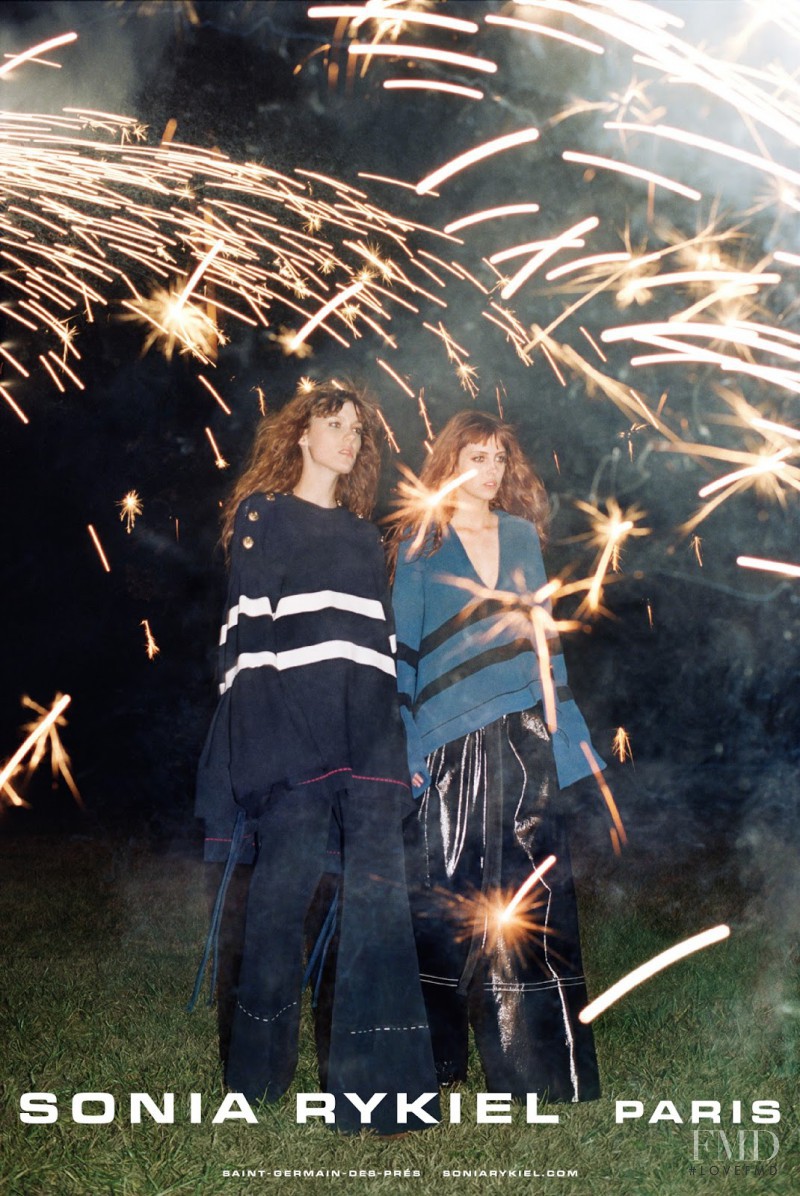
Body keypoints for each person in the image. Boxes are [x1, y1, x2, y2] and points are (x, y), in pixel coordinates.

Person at [193, 381, 439, 1134]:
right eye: (334, 424)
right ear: (300, 435)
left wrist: (397, 749)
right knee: (277, 907)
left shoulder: (368, 539)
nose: (349, 438)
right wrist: (265, 753)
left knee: (376, 910)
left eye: (357, 429)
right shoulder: (264, 518)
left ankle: (382, 1100)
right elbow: (245, 642)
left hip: (365, 746)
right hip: (291, 741)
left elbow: (378, 652)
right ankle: (257, 1082)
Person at [389, 410, 602, 1103]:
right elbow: (402, 658)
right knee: (447, 907)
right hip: (448, 744)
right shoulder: (420, 541)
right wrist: (410, 749)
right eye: (476, 456)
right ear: (451, 461)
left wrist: (572, 740)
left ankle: (537, 1073)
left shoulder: (519, 536)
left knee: (533, 907)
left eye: (499, 459)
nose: (490, 470)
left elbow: (545, 644)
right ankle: (437, 1066)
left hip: (525, 738)